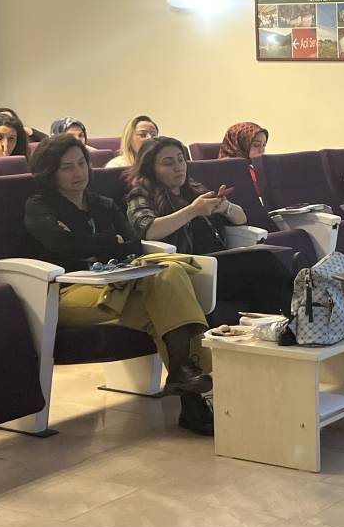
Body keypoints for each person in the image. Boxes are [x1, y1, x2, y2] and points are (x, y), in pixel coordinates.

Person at [23, 133, 216, 435]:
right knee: (165, 296)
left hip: (116, 284)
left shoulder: (102, 204)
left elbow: (133, 244)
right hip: (66, 292)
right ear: (51, 173)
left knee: (168, 278)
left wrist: (92, 243)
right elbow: (62, 244)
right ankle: (191, 388)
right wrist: (107, 241)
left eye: (81, 164)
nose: (78, 172)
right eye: (67, 167)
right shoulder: (40, 206)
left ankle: (187, 390)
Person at [124, 136, 294, 315]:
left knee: (267, 274)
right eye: (168, 163)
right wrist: (193, 210)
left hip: (217, 261)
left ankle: (286, 321)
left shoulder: (193, 188)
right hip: (187, 269)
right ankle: (294, 319)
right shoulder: (140, 194)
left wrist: (225, 207)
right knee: (263, 264)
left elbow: (241, 219)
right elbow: (149, 230)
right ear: (150, 169)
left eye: (181, 160)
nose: (178, 167)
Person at [218, 121, 268, 193]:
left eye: (264, 145)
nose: (262, 151)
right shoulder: (224, 170)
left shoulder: (253, 167)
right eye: (256, 145)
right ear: (240, 144)